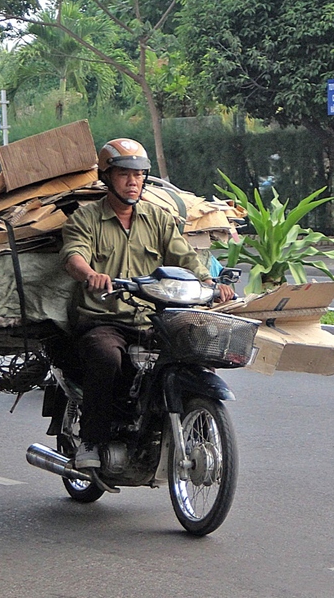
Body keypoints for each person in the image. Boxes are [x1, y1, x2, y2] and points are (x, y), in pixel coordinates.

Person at [60, 138, 235, 469]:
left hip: (153, 318)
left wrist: (211, 283)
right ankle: (91, 438)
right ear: (107, 177)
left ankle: (183, 420)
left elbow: (185, 257)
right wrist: (91, 275)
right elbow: (74, 256)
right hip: (104, 318)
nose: (133, 182)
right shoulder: (86, 219)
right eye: (125, 174)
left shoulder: (158, 219)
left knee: (196, 351)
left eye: (139, 175)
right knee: (106, 357)